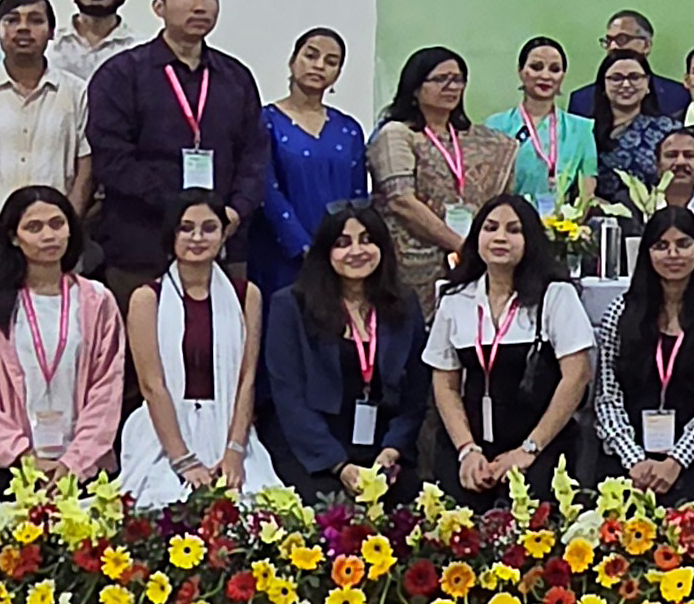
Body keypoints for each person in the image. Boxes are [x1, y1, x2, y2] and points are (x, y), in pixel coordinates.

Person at [82, 0, 266, 297]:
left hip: (222, 243)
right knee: (141, 347)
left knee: (220, 346)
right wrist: (183, 211)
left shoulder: (236, 77)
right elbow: (113, 160)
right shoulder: (122, 74)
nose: (200, 5)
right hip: (142, 245)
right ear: (158, 6)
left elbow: (253, 157)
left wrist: (233, 211)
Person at [420, 195, 597, 512]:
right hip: (472, 446)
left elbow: (577, 376)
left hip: (541, 446)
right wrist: (467, 450)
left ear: (530, 240)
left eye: (514, 230)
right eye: (491, 228)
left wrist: (528, 450)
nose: (501, 237)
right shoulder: (455, 299)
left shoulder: (556, 296)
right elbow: (445, 384)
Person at [0, 186, 125, 490]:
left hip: (80, 467)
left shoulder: (97, 301)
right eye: (34, 227)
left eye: (58, 224)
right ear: (13, 237)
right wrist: (23, 457)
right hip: (4, 466)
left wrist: (74, 462)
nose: (49, 235)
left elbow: (107, 390)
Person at [255, 202, 421, 504]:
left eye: (367, 240)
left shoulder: (405, 304)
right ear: (325, 252)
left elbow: (416, 395)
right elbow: (288, 397)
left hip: (382, 449)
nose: (357, 251)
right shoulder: (290, 306)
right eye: (343, 243)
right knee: (330, 516)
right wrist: (339, 465)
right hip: (312, 450)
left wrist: (393, 449)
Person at [119, 192, 271, 510]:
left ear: (223, 233)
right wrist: (183, 459)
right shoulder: (147, 298)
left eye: (209, 227)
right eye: (186, 228)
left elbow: (246, 380)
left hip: (229, 428)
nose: (197, 237)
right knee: (163, 509)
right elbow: (152, 385)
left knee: (257, 508)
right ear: (170, 235)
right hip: (164, 432)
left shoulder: (247, 296)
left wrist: (234, 450)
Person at [593, 211, 694, 505]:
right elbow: (607, 398)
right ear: (647, 253)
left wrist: (675, 461)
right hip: (626, 457)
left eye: (683, 244)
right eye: (661, 246)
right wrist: (634, 461)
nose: (673, 254)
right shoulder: (620, 313)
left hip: (689, 458)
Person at [371, 46, 515, 311]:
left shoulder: (475, 140)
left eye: (458, 79)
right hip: (412, 260)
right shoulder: (398, 134)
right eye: (440, 79)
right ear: (415, 88)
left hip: (470, 260)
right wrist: (461, 245)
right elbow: (401, 201)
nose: (452, 87)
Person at [0, 0, 94, 258]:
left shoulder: (77, 93)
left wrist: (62, 234)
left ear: (52, 32)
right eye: (12, 20)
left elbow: (85, 174)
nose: (23, 28)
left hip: (57, 253)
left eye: (35, 20)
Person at [254, 27, 372, 297]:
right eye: (311, 55)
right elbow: (267, 190)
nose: (319, 66)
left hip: (340, 255)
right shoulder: (265, 121)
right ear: (293, 60)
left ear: (338, 74)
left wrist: (348, 246)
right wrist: (304, 247)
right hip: (282, 252)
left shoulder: (348, 128)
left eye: (331, 62)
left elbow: (357, 197)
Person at [488, 34, 601, 217]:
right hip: (509, 222)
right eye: (536, 67)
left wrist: (570, 229)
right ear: (521, 71)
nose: (545, 76)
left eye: (555, 69)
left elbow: (586, 191)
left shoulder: (581, 129)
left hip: (560, 226)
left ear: (563, 75)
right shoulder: (496, 126)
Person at [588, 50, 680, 189]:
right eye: (616, 78)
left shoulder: (668, 130)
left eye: (634, 77)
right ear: (603, 84)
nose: (626, 85)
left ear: (648, 82)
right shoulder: (586, 131)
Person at [566, 10, 655, 119]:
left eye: (622, 39)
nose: (613, 47)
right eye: (608, 41)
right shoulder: (582, 99)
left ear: (647, 45)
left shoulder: (675, 95)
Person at [646, 126, 694, 233]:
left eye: (689, 155)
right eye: (671, 155)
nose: (680, 162)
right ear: (657, 166)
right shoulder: (632, 213)